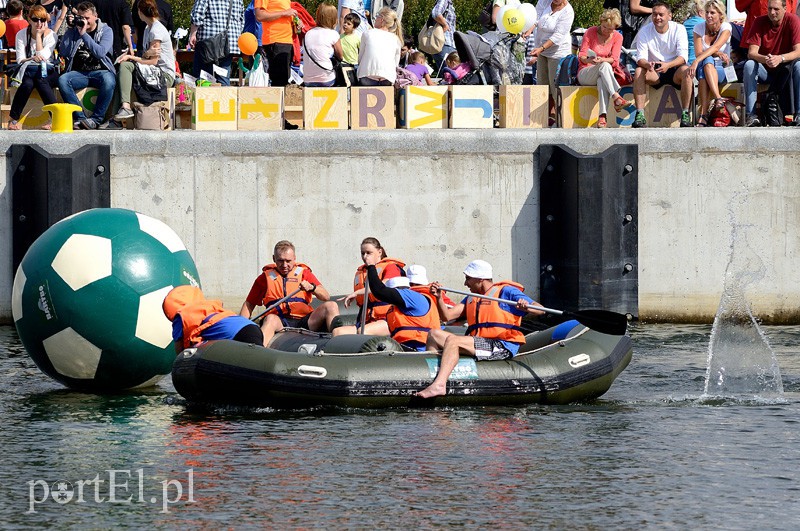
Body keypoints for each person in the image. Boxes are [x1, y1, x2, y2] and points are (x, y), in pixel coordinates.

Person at [417, 260, 544, 399]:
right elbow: (447, 316)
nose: (465, 283)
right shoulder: (472, 298)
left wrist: (526, 306)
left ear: (480, 279)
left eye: (468, 279)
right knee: (433, 334)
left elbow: (540, 309)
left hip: (500, 345)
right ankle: (431, 376)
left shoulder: (506, 291)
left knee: (453, 341)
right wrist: (439, 298)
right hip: (479, 342)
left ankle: (440, 386)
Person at [239, 240, 340, 347]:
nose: (284, 265)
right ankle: (256, 351)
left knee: (331, 306)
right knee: (270, 319)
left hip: (304, 321)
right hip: (279, 322)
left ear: (294, 258)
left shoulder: (304, 273)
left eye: (288, 261)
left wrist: (312, 287)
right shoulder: (264, 278)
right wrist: (241, 326)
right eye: (280, 261)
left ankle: (339, 344)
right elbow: (249, 304)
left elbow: (325, 296)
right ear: (274, 259)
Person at [107, 0, 175, 127]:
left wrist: (130, 57)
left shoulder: (156, 30)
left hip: (163, 76)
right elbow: (146, 56)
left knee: (126, 65)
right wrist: (144, 54)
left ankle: (125, 107)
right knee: (120, 74)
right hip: (153, 71)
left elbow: (153, 61)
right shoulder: (148, 28)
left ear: (141, 12)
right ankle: (116, 118)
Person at [356, 257, 439, 352]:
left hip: (418, 348)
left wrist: (371, 267)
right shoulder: (394, 309)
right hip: (402, 348)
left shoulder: (412, 296)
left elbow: (379, 291)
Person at [630, 2, 692, 128]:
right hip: (654, 71)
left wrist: (668, 65)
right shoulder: (644, 31)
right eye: (654, 14)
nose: (657, 17)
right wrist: (648, 65)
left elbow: (683, 58)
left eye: (661, 15)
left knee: (687, 71)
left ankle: (686, 114)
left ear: (669, 16)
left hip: (674, 68)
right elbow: (640, 58)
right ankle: (640, 114)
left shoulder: (679, 29)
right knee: (638, 71)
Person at [57, 1, 117, 130]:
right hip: (80, 73)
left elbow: (100, 53)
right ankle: (81, 118)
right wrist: (70, 29)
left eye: (87, 18)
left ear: (96, 16)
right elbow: (64, 52)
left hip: (101, 71)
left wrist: (84, 34)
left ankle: (96, 119)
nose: (84, 21)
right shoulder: (75, 30)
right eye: (81, 18)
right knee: (63, 80)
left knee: (109, 80)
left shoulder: (106, 30)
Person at [742, 0, 800, 126]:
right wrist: (767, 59)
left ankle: (799, 114)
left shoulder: (793, 20)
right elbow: (751, 53)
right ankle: (751, 115)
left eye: (776, 9)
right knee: (749, 65)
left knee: (799, 66)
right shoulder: (759, 21)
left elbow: (798, 51)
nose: (772, 12)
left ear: (785, 8)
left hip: (786, 70)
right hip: (765, 70)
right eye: (769, 9)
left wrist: (780, 58)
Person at [333, 236, 405, 337]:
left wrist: (356, 293)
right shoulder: (361, 272)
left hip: (387, 319)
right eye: (363, 253)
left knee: (363, 331)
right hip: (366, 320)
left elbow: (381, 287)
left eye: (368, 253)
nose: (365, 256)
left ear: (379, 252)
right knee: (338, 332)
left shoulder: (391, 267)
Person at [163, 285, 264, 354]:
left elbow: (180, 352)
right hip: (251, 327)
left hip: (236, 335)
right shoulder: (208, 307)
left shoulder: (180, 316)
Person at [7, 5, 58, 131]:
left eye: (43, 20)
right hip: (29, 70)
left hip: (47, 71)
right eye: (35, 20)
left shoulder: (52, 35)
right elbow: (20, 59)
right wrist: (32, 59)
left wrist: (39, 36)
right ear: (28, 19)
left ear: (47, 21)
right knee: (28, 83)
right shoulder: (21, 34)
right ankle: (56, 119)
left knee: (39, 79)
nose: (39, 23)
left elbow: (43, 57)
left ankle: (13, 119)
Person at [577, 8, 627, 128]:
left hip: (604, 73)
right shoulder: (590, 32)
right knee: (604, 66)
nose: (606, 31)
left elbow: (615, 61)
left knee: (602, 76)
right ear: (601, 22)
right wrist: (589, 59)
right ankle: (616, 96)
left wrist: (602, 60)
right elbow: (581, 55)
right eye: (604, 27)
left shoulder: (617, 37)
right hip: (586, 71)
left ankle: (602, 116)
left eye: (610, 29)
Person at [527, 0, 574, 125]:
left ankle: (560, 119)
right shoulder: (544, 2)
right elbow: (535, 18)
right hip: (541, 50)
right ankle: (543, 117)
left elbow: (558, 35)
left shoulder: (568, 12)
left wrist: (541, 48)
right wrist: (529, 30)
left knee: (555, 88)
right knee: (542, 85)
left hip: (557, 53)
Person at [687, 0, 732, 127]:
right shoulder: (698, 28)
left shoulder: (726, 27)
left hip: (721, 68)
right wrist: (716, 54)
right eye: (707, 12)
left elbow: (716, 46)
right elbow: (698, 52)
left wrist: (697, 61)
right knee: (706, 62)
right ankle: (719, 98)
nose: (709, 16)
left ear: (720, 15)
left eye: (712, 13)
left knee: (703, 69)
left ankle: (703, 115)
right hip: (706, 66)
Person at [189, 0, 244, 86]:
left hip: (208, 43)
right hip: (229, 43)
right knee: (223, 78)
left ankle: (205, 98)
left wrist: (193, 34)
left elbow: (197, 15)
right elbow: (241, 20)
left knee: (203, 79)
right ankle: (225, 98)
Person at [356, 7, 401, 86]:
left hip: (367, 74)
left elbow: (360, 58)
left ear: (382, 19)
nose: (375, 19)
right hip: (388, 77)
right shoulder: (396, 38)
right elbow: (396, 63)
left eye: (377, 16)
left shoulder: (367, 33)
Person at [255, 0, 296, 88]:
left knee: (284, 80)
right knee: (279, 81)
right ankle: (277, 101)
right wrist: (284, 13)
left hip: (286, 41)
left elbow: (284, 14)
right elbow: (259, 15)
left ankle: (281, 101)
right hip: (275, 40)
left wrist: (295, 21)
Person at [302, 3, 343, 87]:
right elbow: (340, 56)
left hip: (307, 79)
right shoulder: (333, 34)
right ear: (334, 18)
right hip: (326, 78)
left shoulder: (308, 33)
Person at [430, 0, 455, 76]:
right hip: (445, 43)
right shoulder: (444, 1)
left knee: (446, 76)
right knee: (451, 76)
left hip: (442, 44)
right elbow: (436, 13)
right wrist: (445, 25)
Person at [684, 0, 705, 65]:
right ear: (701, 12)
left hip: (686, 60)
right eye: (706, 12)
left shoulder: (685, 24)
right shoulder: (704, 24)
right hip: (700, 59)